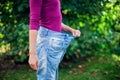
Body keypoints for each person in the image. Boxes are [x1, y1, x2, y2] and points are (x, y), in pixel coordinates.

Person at [28, 0, 81, 80]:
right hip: (46, 41)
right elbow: (33, 22)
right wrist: (32, 54)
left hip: (52, 40)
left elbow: (55, 21)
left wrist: (71, 30)